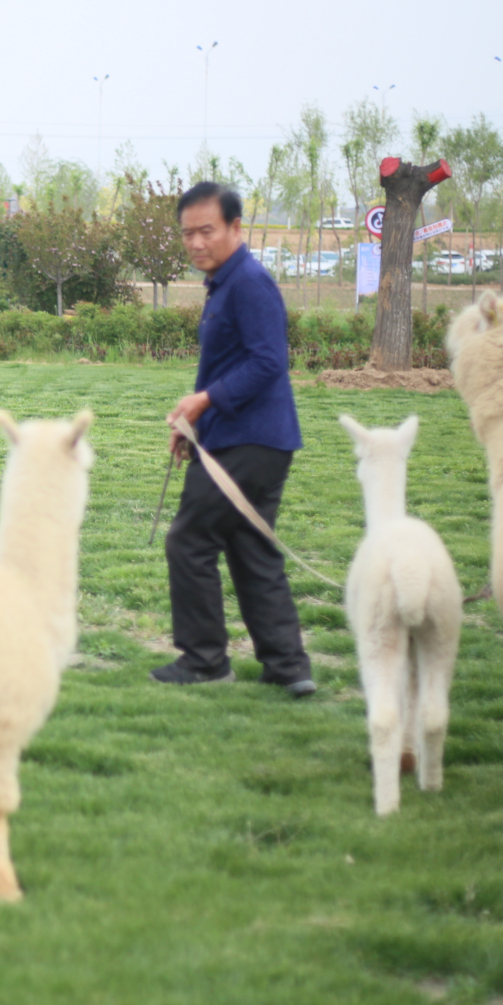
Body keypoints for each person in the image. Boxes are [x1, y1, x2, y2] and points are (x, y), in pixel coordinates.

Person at [153, 182, 315, 695]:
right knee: (252, 551)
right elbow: (232, 364)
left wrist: (202, 402)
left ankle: (203, 660)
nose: (197, 243)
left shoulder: (248, 282)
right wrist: (196, 424)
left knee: (189, 540)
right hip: (248, 438)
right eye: (188, 234)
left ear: (235, 228)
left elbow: (269, 361)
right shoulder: (224, 283)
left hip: (250, 442)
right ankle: (288, 668)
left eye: (208, 230)